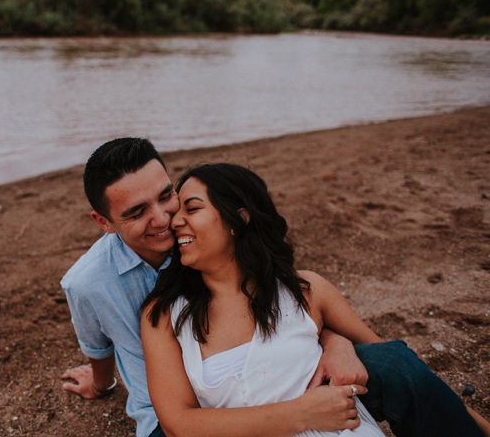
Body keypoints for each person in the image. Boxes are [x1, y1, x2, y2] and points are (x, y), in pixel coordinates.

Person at [61, 138, 488, 437]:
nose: (165, 219)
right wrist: (102, 384)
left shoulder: (208, 248)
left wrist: (332, 337)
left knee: (392, 361)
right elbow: (99, 349)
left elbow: (280, 308)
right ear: (104, 222)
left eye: (168, 196)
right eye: (137, 212)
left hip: (279, 381)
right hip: (175, 420)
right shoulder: (93, 286)